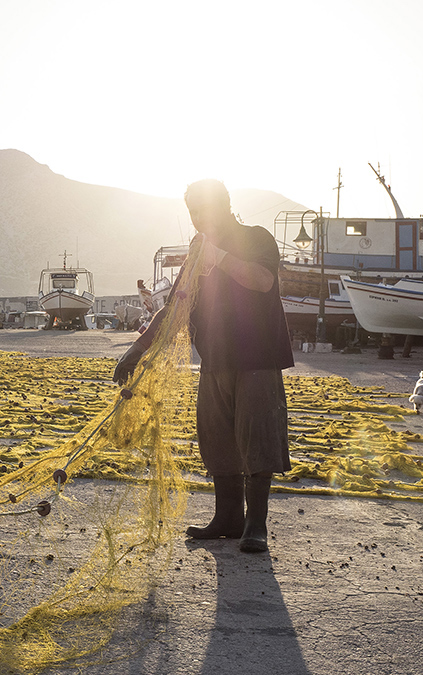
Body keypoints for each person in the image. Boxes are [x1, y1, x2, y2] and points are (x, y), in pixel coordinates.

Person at [114, 179, 292, 554]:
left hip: (257, 359)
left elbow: (262, 280)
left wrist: (220, 257)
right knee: (217, 438)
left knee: (257, 438)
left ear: (225, 206)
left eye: (203, 211)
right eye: (192, 212)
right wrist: (138, 349)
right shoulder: (197, 255)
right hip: (215, 361)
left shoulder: (255, 237)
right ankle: (227, 516)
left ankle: (255, 523)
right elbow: (176, 308)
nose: (197, 220)